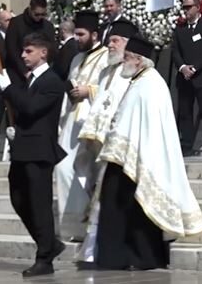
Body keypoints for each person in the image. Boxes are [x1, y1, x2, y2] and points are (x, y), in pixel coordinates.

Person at [96, 35, 202, 270]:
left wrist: (126, 150)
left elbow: (147, 127)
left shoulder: (150, 84)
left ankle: (133, 258)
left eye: (127, 57)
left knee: (124, 207)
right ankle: (123, 258)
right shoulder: (140, 80)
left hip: (136, 158)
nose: (123, 61)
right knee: (122, 207)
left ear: (138, 60)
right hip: (126, 157)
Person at [0, 33, 66, 277]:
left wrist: (7, 88)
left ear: (43, 53)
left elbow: (29, 107)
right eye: (23, 50)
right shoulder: (30, 80)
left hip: (39, 152)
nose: (23, 55)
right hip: (23, 150)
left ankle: (44, 258)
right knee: (18, 199)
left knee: (40, 205)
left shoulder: (52, 81)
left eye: (29, 51)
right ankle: (49, 243)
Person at [76, 19, 138, 263]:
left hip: (120, 146)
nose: (110, 45)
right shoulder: (106, 72)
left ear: (127, 44)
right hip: (99, 144)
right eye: (109, 40)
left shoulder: (131, 74)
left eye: (115, 41)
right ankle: (94, 248)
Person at [56, 10, 109, 240]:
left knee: (87, 173)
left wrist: (89, 90)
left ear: (94, 35)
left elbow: (111, 89)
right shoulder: (76, 58)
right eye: (75, 34)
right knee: (62, 168)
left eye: (81, 34)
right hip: (71, 120)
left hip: (92, 122)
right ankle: (74, 226)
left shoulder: (107, 57)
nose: (76, 38)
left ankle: (91, 225)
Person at [172, 0, 202, 158]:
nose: (185, 10)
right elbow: (175, 52)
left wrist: (195, 68)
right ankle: (186, 145)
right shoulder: (180, 30)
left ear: (198, 8)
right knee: (185, 113)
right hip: (185, 78)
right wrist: (183, 68)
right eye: (184, 7)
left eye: (188, 7)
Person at [5, 0, 55, 86]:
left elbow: (51, 50)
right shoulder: (16, 23)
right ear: (30, 9)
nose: (40, 17)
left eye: (43, 14)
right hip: (18, 72)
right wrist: (25, 71)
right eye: (37, 14)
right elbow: (11, 49)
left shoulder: (48, 26)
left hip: (41, 73)